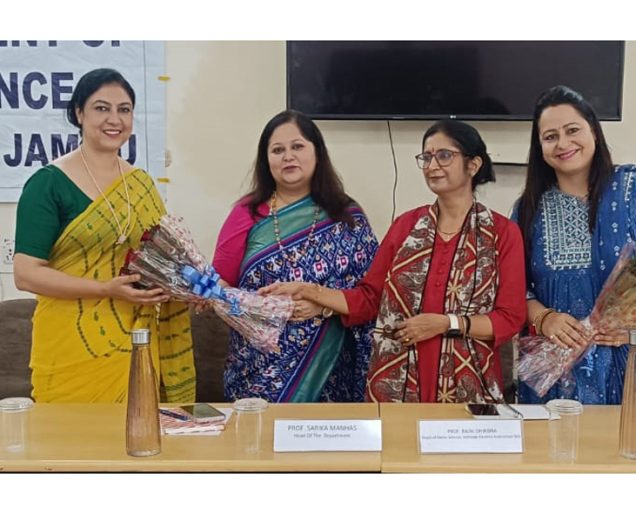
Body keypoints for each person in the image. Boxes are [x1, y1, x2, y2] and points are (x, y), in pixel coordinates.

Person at [263, 120, 526, 403]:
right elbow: (369, 299)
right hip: (397, 383)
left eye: (444, 155)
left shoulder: (501, 232)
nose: (432, 165)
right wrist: (309, 290)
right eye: (426, 157)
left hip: (469, 386)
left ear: (473, 165)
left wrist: (445, 323)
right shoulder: (406, 226)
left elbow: (509, 318)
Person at [13, 68, 195, 403]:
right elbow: (25, 274)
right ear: (79, 113)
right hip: (69, 347)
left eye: (124, 109)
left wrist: (189, 287)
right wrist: (104, 289)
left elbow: (163, 263)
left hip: (135, 343)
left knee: (135, 444)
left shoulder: (141, 185)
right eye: (101, 108)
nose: (115, 119)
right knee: (70, 448)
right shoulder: (48, 184)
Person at [514, 85, 636, 405]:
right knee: (556, 452)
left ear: (593, 131)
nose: (563, 143)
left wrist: (635, 327)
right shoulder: (528, 209)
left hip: (631, 362)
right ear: (539, 147)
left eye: (572, 130)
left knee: (633, 449)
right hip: (556, 372)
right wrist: (543, 317)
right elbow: (513, 287)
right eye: (550, 136)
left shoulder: (635, 190)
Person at [213, 110, 378, 403]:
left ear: (317, 152)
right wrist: (263, 309)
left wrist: (323, 305)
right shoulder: (246, 213)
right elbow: (218, 287)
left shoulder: (347, 215)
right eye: (277, 150)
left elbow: (370, 297)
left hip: (330, 368)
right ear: (267, 160)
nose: (288, 156)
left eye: (297, 146)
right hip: (258, 367)